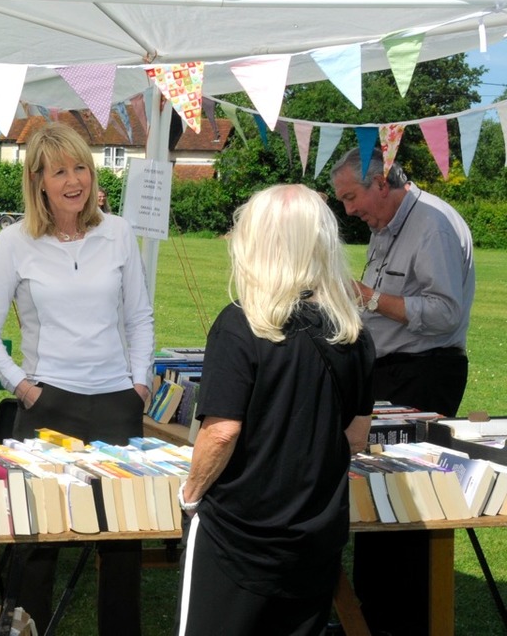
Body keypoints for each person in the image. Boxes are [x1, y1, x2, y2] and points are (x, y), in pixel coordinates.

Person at [0, 122, 154, 636]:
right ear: (39, 181)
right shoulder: (14, 243)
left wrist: (138, 384)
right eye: (60, 171)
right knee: (37, 539)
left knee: (122, 536)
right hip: (48, 405)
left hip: (117, 403)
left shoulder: (117, 233)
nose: (74, 180)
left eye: (81, 168)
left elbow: (139, 317)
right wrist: (23, 386)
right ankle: (26, 628)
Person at [176, 184, 374, 636]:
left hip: (238, 535)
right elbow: (356, 436)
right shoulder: (352, 333)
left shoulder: (239, 324)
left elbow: (222, 431)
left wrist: (190, 494)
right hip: (313, 535)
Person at [331, 146, 476, 636]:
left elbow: (444, 313)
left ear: (383, 183)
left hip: (423, 373)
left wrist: (366, 296)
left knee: (407, 496)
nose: (349, 210)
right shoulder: (387, 226)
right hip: (389, 371)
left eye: (352, 198)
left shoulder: (432, 224)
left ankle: (404, 619)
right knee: (377, 489)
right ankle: (373, 616)